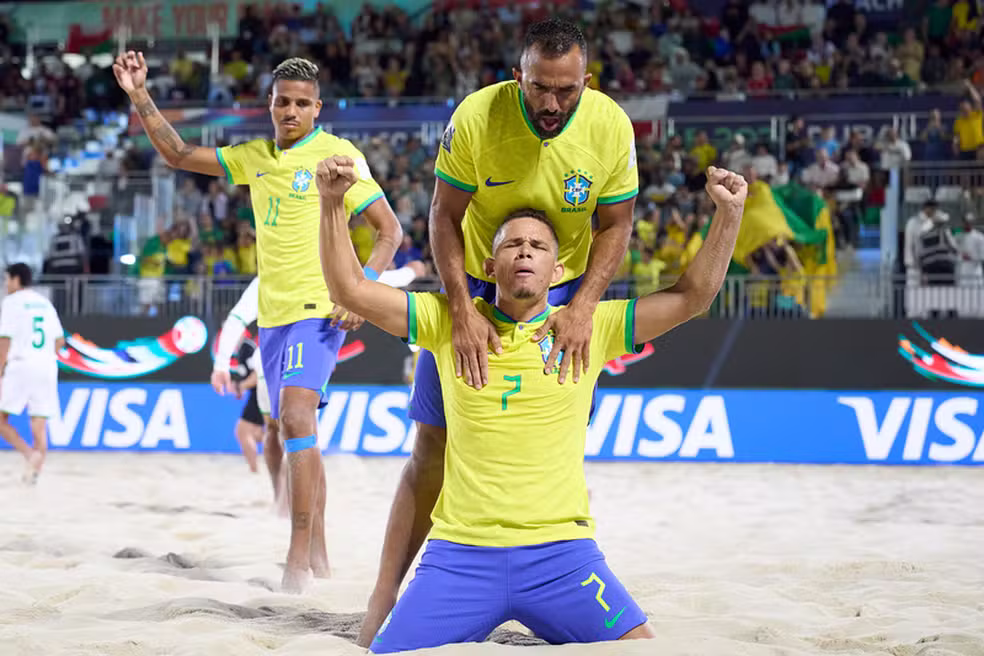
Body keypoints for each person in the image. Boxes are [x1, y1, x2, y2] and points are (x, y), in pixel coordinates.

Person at [315, 156, 747, 652]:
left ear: (557, 269)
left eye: (538, 246)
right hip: (460, 558)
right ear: (488, 265)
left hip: (562, 559)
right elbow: (348, 289)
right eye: (512, 244)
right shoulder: (446, 321)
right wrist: (332, 204)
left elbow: (693, 297)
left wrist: (728, 215)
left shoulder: (591, 328)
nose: (525, 251)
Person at [361, 18, 639, 642]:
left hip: (561, 285)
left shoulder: (610, 125)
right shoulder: (477, 117)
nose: (552, 103)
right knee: (430, 446)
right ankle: (385, 593)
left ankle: (552, 575)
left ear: (586, 82)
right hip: (475, 279)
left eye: (566, 90)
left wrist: (585, 305)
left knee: (551, 442)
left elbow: (617, 224)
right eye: (540, 88)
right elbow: (444, 215)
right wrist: (461, 308)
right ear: (518, 78)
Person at [114, 52, 402, 592]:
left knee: (295, 418)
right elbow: (177, 154)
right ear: (269, 105)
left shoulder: (339, 156)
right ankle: (318, 552)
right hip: (271, 317)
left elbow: (390, 231)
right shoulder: (254, 157)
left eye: (301, 103)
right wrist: (139, 94)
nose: (291, 111)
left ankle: (296, 561)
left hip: (320, 310)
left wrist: (362, 289)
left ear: (317, 108)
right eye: (282, 101)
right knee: (294, 431)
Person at [0, 263, 65, 484]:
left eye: (7, 279)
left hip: (21, 364)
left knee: (1, 419)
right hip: (47, 365)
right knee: (39, 423)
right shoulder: (45, 303)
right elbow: (60, 341)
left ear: (16, 279)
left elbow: (5, 340)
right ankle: (33, 473)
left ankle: (29, 455)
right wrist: (44, 355)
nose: (6, 284)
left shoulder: (11, 302)